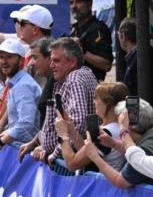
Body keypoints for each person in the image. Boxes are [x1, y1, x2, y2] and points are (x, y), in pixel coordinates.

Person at [19, 37, 97, 166]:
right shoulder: (71, 77)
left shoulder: (74, 79)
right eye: (51, 60)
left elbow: (78, 124)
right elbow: (57, 125)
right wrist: (37, 143)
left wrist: (54, 153)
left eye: (56, 61)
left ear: (72, 62)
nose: (51, 65)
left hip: (76, 167)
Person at [86, 99, 153, 190]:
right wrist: (113, 143)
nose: (119, 125)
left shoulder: (143, 153)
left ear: (130, 126)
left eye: (120, 121)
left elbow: (120, 181)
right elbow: (134, 149)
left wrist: (94, 156)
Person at [0, 39, 42, 159]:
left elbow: (26, 123)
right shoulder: (15, 81)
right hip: (18, 147)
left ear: (21, 61)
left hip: (24, 152)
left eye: (9, 57)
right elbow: (14, 112)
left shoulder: (23, 86)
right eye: (1, 57)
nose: (4, 61)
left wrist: (0, 143)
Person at [57, 81, 129, 172]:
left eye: (96, 98)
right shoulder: (123, 128)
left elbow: (72, 164)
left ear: (108, 103)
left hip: (102, 184)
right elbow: (88, 152)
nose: (93, 101)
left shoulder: (105, 133)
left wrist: (63, 136)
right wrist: (72, 131)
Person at [68, 0, 113, 81]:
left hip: (91, 86)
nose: (74, 6)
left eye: (78, 2)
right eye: (71, 3)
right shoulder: (74, 29)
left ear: (89, 5)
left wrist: (82, 51)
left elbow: (106, 65)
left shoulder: (98, 29)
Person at [116, 17, 153, 114]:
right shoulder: (147, 52)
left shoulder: (138, 57)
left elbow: (130, 91)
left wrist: (132, 119)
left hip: (142, 114)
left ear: (123, 36)